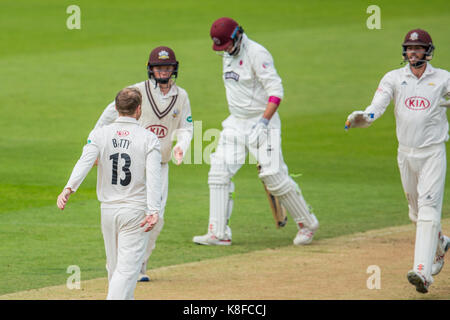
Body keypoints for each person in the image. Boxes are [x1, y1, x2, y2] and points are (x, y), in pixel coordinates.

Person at [193, 17, 319, 246]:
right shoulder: (228, 53)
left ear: (238, 36)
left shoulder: (257, 54)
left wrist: (263, 122)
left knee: (274, 177)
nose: (226, 51)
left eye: (227, 45)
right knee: (218, 172)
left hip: (262, 122)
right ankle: (218, 233)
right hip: (235, 122)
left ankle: (307, 224)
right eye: (221, 48)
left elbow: (276, 91)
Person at [345, 29, 450, 294]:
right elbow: (376, 107)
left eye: (418, 48)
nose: (412, 53)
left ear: (428, 51)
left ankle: (423, 273)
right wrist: (362, 117)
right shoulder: (394, 77)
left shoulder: (443, 79)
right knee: (416, 214)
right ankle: (440, 246)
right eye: (409, 48)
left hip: (432, 153)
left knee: (428, 211)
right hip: (406, 154)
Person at [93, 46, 193, 281]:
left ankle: (139, 264)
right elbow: (107, 117)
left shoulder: (182, 96)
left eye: (167, 67)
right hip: (133, 163)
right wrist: (94, 145)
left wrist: (181, 146)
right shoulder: (136, 92)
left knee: (155, 219)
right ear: (151, 69)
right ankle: (121, 266)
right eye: (159, 67)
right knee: (129, 214)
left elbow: (186, 128)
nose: (163, 72)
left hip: (160, 166)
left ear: (174, 68)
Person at [56, 87, 162, 299]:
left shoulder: (100, 134)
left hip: (108, 211)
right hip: (135, 212)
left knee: (115, 269)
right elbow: (154, 177)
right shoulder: (149, 138)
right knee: (126, 270)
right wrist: (154, 209)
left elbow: (84, 162)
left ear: (116, 108)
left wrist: (69, 188)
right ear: (139, 109)